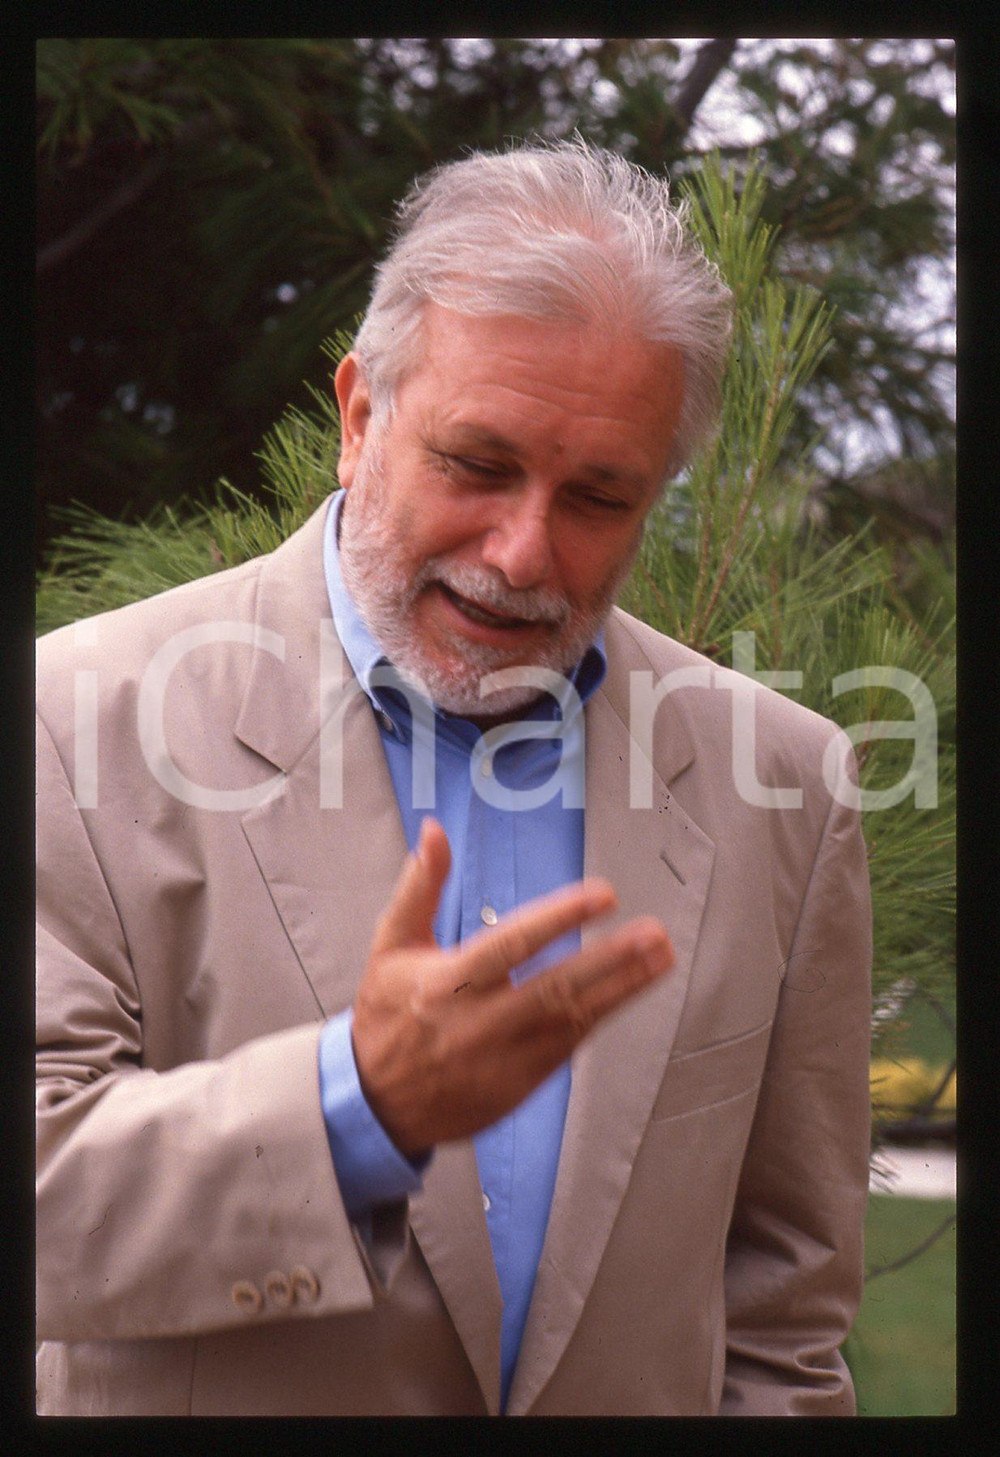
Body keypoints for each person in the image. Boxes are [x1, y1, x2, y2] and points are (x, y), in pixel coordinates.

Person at [35, 139, 872, 1416]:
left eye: (599, 495)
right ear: (360, 414)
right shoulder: (65, 722)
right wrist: (354, 1107)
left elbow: (784, 1318)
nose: (523, 548)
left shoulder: (790, 785)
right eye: (477, 465)